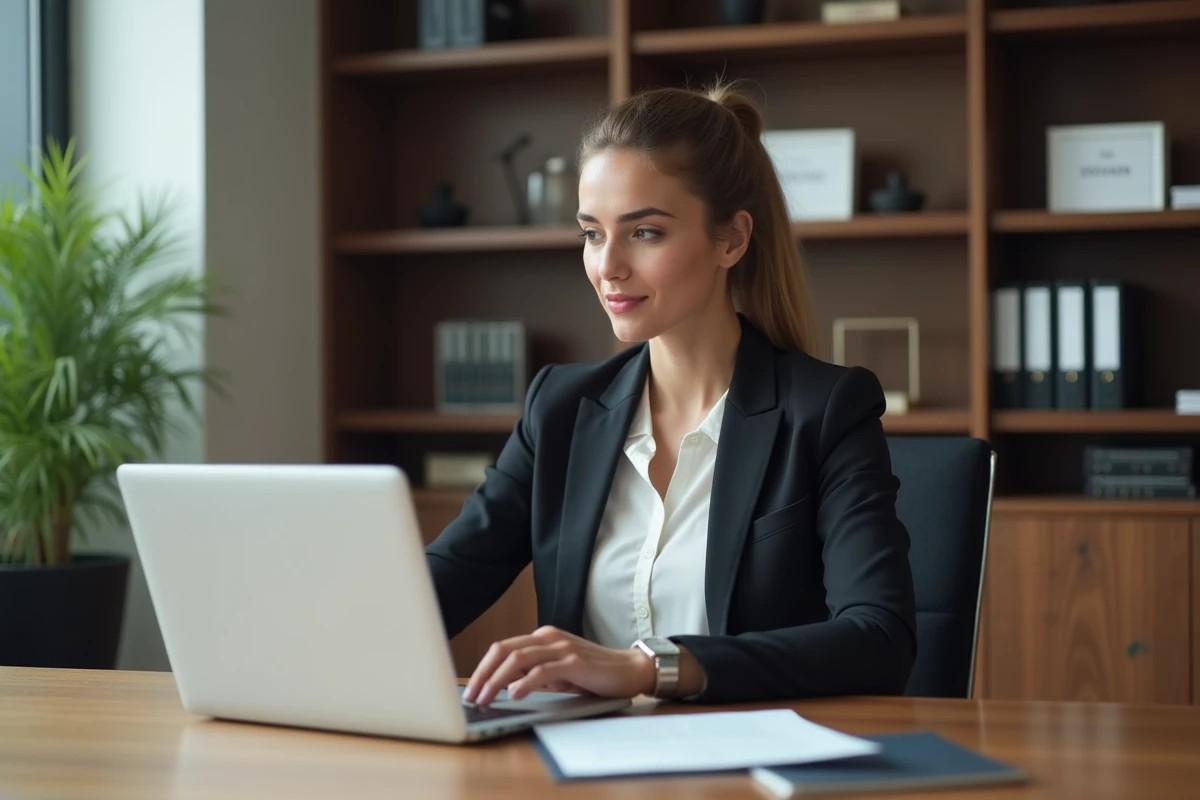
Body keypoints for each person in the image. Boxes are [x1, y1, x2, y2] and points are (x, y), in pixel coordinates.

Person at [426, 82, 917, 707]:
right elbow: (438, 588)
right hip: (580, 754)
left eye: (645, 232)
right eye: (592, 234)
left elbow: (879, 640)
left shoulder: (825, 412)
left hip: (746, 751)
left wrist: (648, 668)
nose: (608, 266)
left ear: (731, 240)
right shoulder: (560, 409)